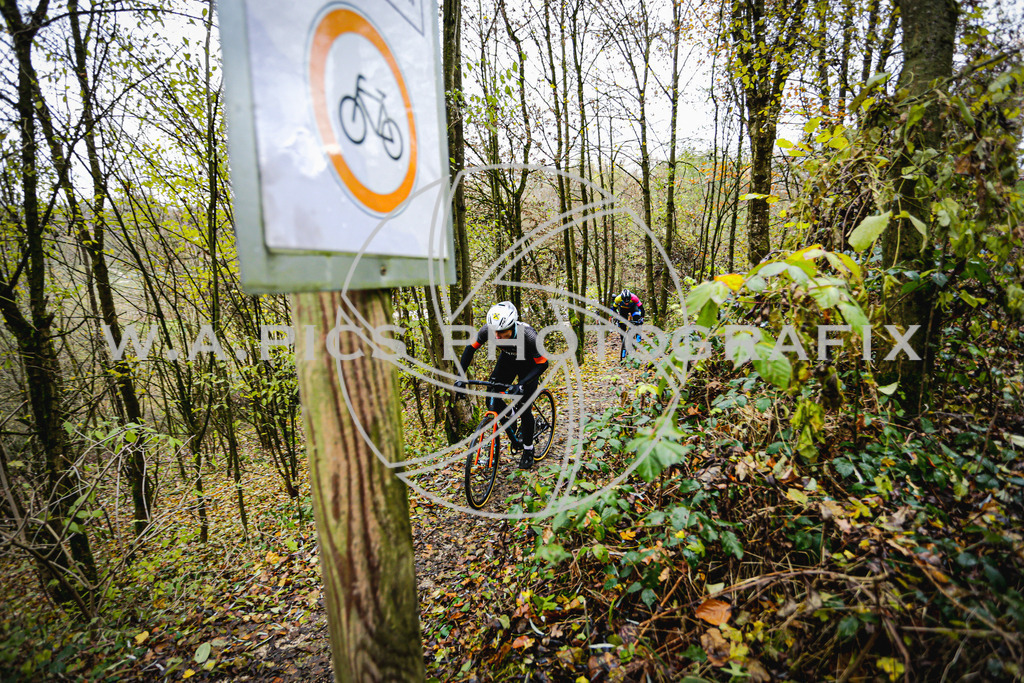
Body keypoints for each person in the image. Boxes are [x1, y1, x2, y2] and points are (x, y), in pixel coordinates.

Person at [455, 301, 549, 470]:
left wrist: (521, 384)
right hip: (508, 359)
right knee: (491, 395)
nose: (497, 337)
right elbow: (470, 349)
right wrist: (460, 377)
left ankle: (528, 449)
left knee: (524, 406)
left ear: (512, 327)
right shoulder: (488, 330)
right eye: (495, 333)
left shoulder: (528, 335)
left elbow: (543, 364)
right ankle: (510, 416)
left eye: (502, 333)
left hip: (529, 365)